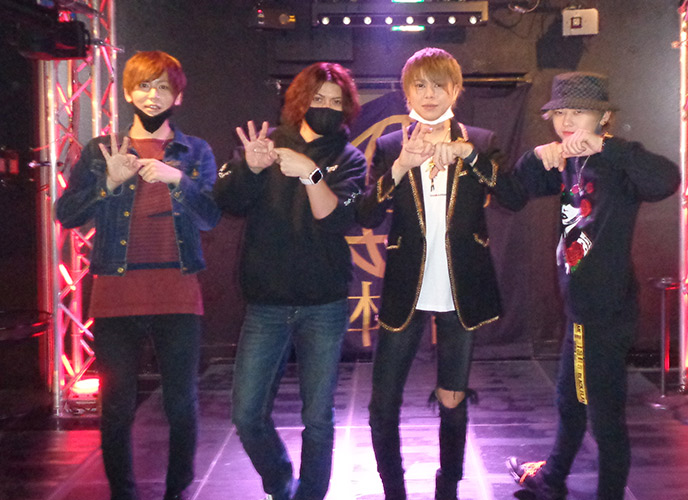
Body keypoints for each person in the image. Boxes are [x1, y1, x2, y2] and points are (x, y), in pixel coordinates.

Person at [355, 47, 527, 500]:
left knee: (453, 398)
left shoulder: (481, 140)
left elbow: (513, 197)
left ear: (455, 90)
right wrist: (400, 167)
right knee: (382, 404)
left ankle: (447, 487)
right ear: (407, 92)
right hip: (405, 288)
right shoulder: (390, 146)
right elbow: (366, 215)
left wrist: (470, 156)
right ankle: (393, 490)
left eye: (438, 85)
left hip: (460, 288)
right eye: (420, 85)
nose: (429, 94)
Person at [506, 72, 680, 500]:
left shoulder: (617, 162)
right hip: (582, 309)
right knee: (570, 401)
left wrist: (606, 146)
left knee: (605, 419)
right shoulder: (568, 162)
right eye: (559, 113)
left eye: (578, 112)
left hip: (603, 313)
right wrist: (536, 155)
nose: (566, 121)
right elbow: (512, 193)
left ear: (603, 117)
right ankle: (552, 478)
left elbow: (666, 178)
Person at [56, 50, 220, 500]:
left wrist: (176, 179)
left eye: (163, 87)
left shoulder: (195, 151)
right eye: (144, 86)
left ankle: (177, 491)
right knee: (116, 406)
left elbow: (210, 217)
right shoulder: (101, 150)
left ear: (177, 97)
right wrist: (108, 183)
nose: (153, 96)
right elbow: (67, 214)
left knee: (181, 404)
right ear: (128, 93)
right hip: (117, 293)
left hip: (177, 292)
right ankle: (123, 494)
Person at [213, 62, 366, 500]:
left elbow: (336, 218)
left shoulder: (349, 158)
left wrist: (311, 173)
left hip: (324, 303)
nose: (326, 108)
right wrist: (251, 168)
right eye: (318, 99)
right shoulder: (267, 145)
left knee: (317, 417)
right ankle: (281, 482)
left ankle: (311, 495)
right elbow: (228, 201)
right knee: (246, 414)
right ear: (299, 101)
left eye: (335, 102)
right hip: (267, 302)